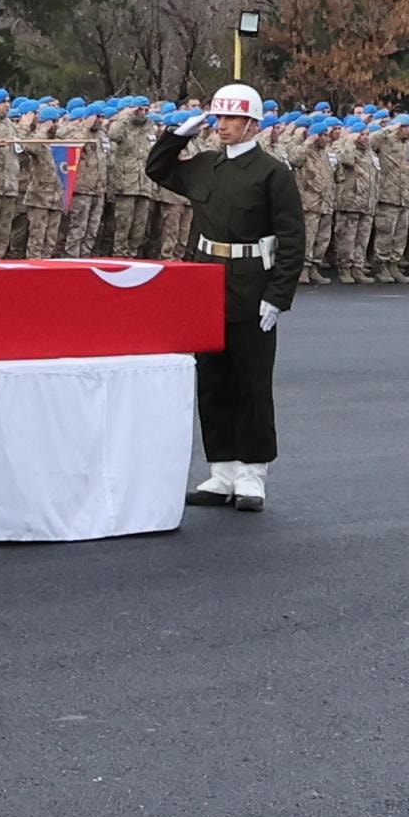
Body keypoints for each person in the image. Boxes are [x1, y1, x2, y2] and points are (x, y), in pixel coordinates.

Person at [142, 78, 309, 512]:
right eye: (219, 117)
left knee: (251, 381)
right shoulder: (205, 166)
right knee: (212, 381)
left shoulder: (273, 173)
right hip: (205, 282)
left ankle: (252, 473)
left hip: (251, 282)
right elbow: (157, 170)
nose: (223, 125)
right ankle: (222, 470)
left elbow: (292, 239)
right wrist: (178, 134)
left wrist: (278, 295)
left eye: (232, 118)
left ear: (253, 123)